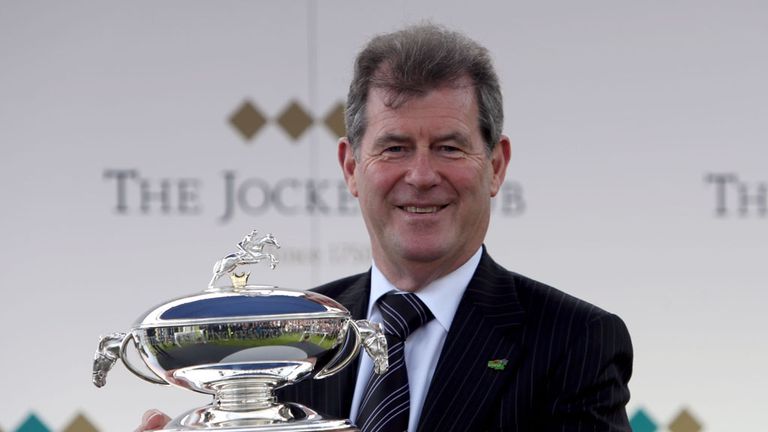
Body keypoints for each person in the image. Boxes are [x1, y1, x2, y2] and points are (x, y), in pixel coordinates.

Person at [136, 23, 632, 432]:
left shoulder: (576, 342)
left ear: (496, 165)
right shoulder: (285, 338)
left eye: (449, 147)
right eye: (394, 148)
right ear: (351, 167)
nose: (420, 176)